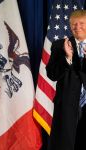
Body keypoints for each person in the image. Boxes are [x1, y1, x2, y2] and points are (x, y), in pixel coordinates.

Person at [46, 10, 86, 150]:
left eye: (81, 23)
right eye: (74, 24)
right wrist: (67, 58)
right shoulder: (59, 45)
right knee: (64, 144)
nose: (77, 27)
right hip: (66, 105)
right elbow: (51, 74)